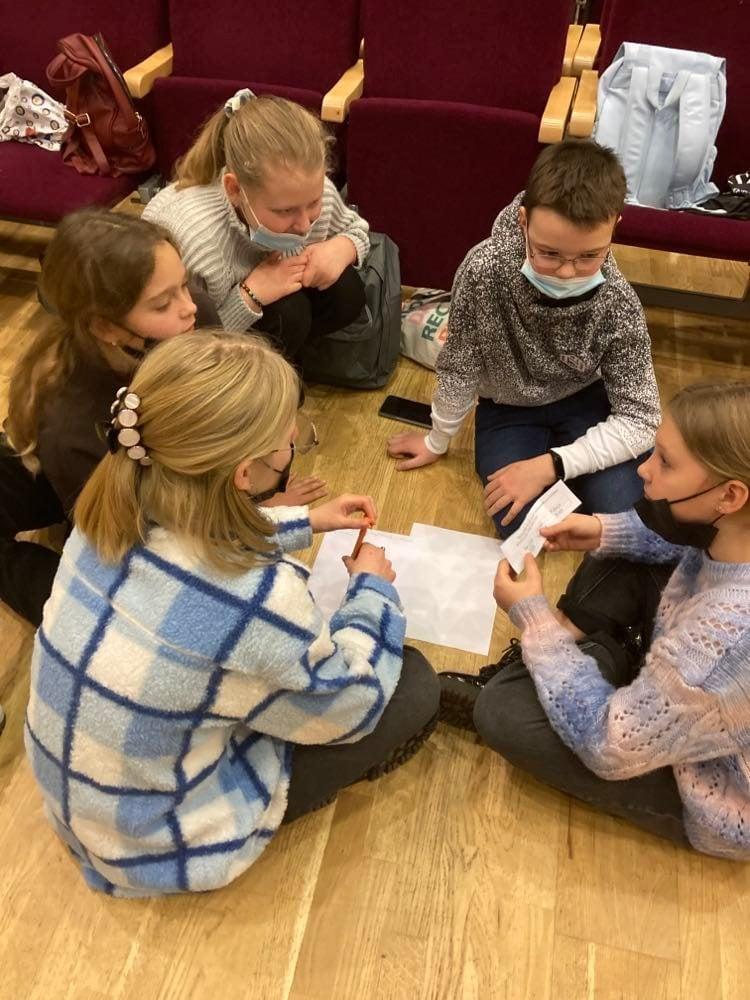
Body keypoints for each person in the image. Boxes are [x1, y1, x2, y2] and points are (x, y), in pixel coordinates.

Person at [24, 332, 439, 897]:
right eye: (290, 442)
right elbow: (349, 710)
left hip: (82, 805)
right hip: (160, 844)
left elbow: (200, 540)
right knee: (411, 685)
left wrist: (306, 521)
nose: (294, 448)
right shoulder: (259, 596)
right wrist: (372, 593)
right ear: (245, 474)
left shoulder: (108, 516)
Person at [440, 381, 750, 859]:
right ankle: (592, 661)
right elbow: (684, 545)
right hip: (691, 688)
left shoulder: (720, 643)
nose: (644, 469)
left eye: (666, 462)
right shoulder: (733, 532)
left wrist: (535, 621)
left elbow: (610, 745)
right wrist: (604, 529)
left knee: (502, 714)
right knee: (619, 547)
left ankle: (586, 662)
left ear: (729, 496)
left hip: (712, 791)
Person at [1, 209, 325, 628]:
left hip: (104, 474)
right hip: (61, 485)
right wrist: (253, 518)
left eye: (184, 284)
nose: (189, 306)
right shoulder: (72, 424)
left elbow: (229, 414)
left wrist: (257, 497)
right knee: (111, 611)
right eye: (162, 303)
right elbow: (124, 537)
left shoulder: (192, 317)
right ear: (106, 327)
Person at [387, 139, 660, 538]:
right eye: (549, 253)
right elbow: (460, 365)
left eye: (588, 256)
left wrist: (552, 465)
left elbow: (641, 418)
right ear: (523, 221)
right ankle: (569, 482)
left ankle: (568, 476)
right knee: (517, 519)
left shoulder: (618, 301)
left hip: (585, 401)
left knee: (624, 504)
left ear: (615, 226)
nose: (566, 272)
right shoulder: (483, 270)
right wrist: (437, 439)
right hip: (508, 409)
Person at [143, 90, 369, 362]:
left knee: (346, 291)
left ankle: (288, 355)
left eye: (314, 202)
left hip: (271, 299)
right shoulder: (194, 240)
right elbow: (184, 347)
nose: (304, 225)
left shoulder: (303, 189)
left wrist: (342, 248)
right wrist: (249, 296)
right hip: (197, 340)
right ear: (235, 190)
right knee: (290, 313)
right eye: (284, 211)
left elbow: (357, 230)